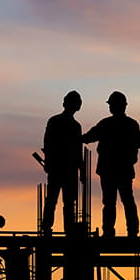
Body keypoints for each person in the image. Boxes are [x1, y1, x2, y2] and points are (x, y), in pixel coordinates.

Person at [83, 91, 140, 238]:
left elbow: (88, 137)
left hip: (110, 169)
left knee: (112, 203)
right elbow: (138, 143)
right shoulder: (131, 124)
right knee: (125, 201)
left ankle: (110, 232)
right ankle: (131, 232)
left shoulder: (107, 124)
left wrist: (74, 138)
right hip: (120, 169)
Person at [41, 90, 84, 235]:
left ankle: (51, 227)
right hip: (62, 168)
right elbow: (48, 144)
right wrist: (82, 170)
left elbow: (77, 151)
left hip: (62, 168)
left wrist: (81, 170)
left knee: (56, 200)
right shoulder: (61, 123)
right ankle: (64, 229)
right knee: (58, 200)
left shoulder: (59, 122)